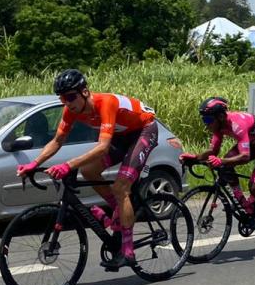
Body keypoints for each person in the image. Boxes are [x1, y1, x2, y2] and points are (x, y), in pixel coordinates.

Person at [17, 69, 159, 269]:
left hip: (144, 131)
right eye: (62, 99)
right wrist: (34, 164)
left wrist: (67, 165)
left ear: (85, 92)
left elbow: (102, 148)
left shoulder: (105, 103)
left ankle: (128, 251)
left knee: (121, 187)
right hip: (122, 136)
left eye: (70, 97)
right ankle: (118, 213)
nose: (67, 103)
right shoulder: (71, 110)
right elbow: (57, 140)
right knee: (88, 172)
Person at [181, 97, 255, 238]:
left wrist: (221, 161)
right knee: (226, 167)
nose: (206, 125)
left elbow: (244, 156)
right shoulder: (219, 126)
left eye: (208, 120)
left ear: (221, 116)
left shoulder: (237, 125)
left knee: (254, 186)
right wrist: (194, 158)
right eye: (204, 120)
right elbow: (213, 151)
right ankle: (245, 204)